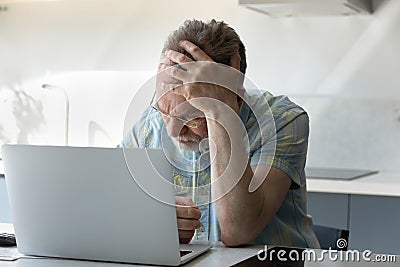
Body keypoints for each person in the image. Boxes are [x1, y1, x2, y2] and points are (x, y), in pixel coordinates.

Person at [120, 19, 320, 248]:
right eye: (165, 110)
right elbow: (108, 197)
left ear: (236, 96)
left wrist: (220, 110)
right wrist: (151, 218)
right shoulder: (150, 124)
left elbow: (238, 231)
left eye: (193, 119)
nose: (172, 131)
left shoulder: (283, 120)